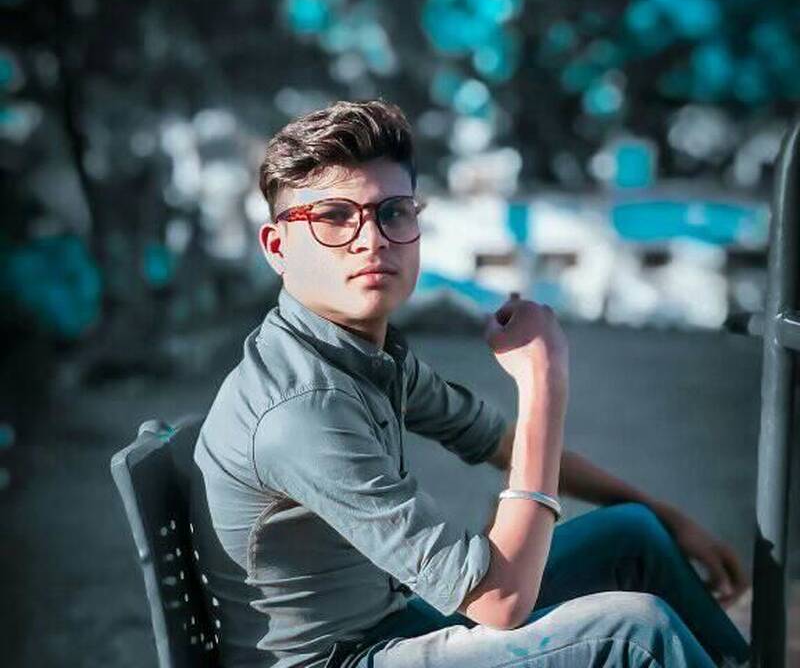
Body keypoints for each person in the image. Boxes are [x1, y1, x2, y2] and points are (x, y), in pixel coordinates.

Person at [194, 99, 751, 667]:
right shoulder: (304, 409)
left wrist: (670, 519)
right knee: (633, 633)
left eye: (393, 212)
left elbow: (500, 443)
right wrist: (543, 381)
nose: (372, 239)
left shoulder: (359, 354)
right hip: (340, 659)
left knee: (631, 534)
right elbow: (499, 600)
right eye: (334, 216)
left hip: (388, 625)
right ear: (278, 247)